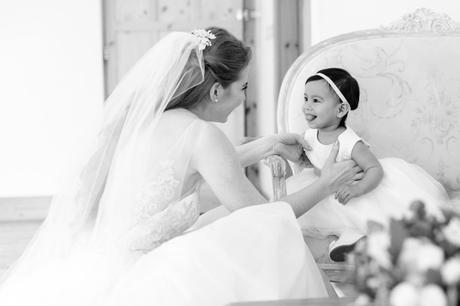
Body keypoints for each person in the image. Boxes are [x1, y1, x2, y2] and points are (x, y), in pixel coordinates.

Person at [0, 29, 361, 306]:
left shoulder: (149, 119)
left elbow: (189, 166)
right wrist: (327, 183)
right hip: (148, 270)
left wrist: (264, 144)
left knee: (223, 219)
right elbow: (263, 217)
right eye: (243, 87)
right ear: (218, 92)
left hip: (102, 257)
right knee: (269, 237)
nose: (244, 97)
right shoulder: (203, 136)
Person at [287, 68, 449, 262]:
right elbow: (308, 160)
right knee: (329, 217)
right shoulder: (310, 135)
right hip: (326, 189)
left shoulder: (349, 141)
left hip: (355, 190)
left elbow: (374, 169)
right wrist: (282, 150)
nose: (307, 106)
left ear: (340, 110)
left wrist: (357, 189)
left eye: (315, 101)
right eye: (306, 98)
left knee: (363, 215)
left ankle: (362, 239)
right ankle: (347, 241)